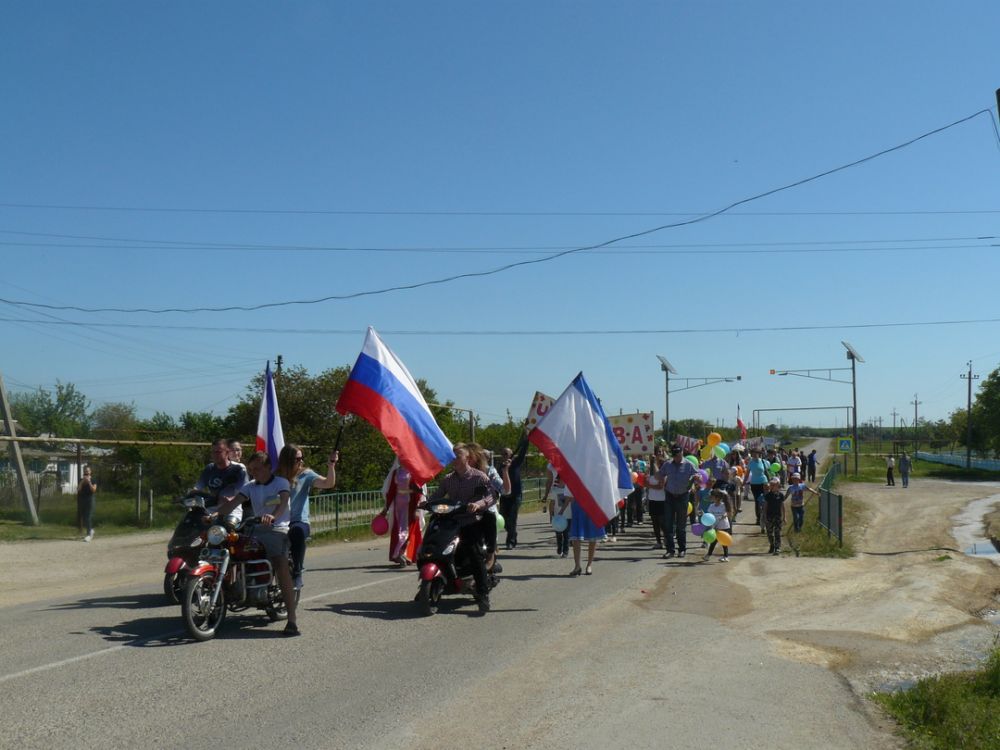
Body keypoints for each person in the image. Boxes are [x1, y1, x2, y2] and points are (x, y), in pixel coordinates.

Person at [213, 450, 299, 635]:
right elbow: (233, 502)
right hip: (255, 528)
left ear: (269, 467)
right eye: (251, 470)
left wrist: (273, 517)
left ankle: (291, 619)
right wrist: (213, 515)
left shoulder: (281, 483)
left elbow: (282, 502)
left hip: (277, 529)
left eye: (258, 469)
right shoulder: (251, 486)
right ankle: (230, 593)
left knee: (279, 563)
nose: (254, 473)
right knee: (230, 549)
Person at [427, 443, 495, 613]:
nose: (454, 459)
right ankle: (432, 584)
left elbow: (491, 496)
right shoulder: (448, 479)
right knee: (432, 546)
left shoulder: (479, 477)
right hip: (450, 522)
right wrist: (426, 503)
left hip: (470, 522)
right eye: (452, 457)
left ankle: (482, 593)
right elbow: (438, 495)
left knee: (474, 553)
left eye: (458, 456)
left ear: (468, 459)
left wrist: (478, 504)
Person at [277, 444, 338, 589]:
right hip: (278, 520)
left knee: (296, 532)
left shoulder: (306, 474)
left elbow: (328, 483)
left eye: (301, 458)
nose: (301, 461)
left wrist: (331, 466)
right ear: (287, 460)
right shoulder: (276, 476)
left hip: (299, 521)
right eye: (297, 458)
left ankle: (297, 571)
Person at [377, 457, 426, 567]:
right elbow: (391, 492)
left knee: (409, 530)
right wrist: (385, 509)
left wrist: (418, 508)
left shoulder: (414, 472)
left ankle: (404, 553)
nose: (400, 459)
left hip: (411, 505)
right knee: (399, 530)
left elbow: (418, 492)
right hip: (399, 506)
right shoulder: (396, 472)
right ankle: (399, 554)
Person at [194, 438, 248, 526]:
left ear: (227, 452)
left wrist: (230, 498)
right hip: (209, 510)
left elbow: (244, 492)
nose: (215, 455)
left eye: (218, 452)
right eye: (213, 452)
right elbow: (197, 487)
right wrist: (191, 493)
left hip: (231, 510)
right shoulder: (209, 468)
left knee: (227, 530)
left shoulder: (238, 469)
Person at [657, 445, 698, 559]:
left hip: (683, 496)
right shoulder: (668, 464)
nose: (676, 458)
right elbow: (660, 474)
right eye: (674, 456)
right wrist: (660, 479)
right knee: (668, 524)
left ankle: (682, 549)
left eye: (678, 455)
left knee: (681, 525)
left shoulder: (689, 465)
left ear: (682, 454)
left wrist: (696, 478)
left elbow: (697, 474)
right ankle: (670, 550)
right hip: (669, 496)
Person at [498, 435, 529, 549]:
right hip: (504, 496)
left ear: (511, 454)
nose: (505, 456)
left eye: (507, 453)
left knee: (512, 518)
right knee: (503, 519)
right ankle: (513, 533)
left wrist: (526, 440)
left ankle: (510, 541)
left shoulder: (516, 463)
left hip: (515, 495)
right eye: (503, 454)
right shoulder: (500, 467)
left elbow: (523, 452)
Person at [568, 493, 607, 576]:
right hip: (578, 502)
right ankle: (577, 566)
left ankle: (589, 565)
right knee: (576, 537)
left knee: (593, 536)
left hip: (593, 502)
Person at [543, 462, 571, 558]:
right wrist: (551, 515)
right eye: (560, 479)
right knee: (558, 533)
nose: (562, 480)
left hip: (568, 515)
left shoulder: (568, 490)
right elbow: (552, 503)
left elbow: (568, 501)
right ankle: (559, 547)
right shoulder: (555, 490)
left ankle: (566, 551)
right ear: (558, 479)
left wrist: (562, 511)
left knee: (566, 534)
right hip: (557, 516)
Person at [703, 488, 732, 562]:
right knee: (713, 541)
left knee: (723, 542)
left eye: (712, 497)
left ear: (717, 497)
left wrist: (724, 515)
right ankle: (708, 555)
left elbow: (727, 513)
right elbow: (709, 515)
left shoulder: (723, 505)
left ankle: (726, 556)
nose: (711, 498)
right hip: (715, 526)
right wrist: (703, 514)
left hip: (724, 526)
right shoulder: (711, 506)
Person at [645, 450, 666, 549]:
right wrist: (647, 471)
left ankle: (666, 538)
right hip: (652, 500)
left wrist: (650, 486)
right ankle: (658, 542)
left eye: (657, 463)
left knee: (662, 522)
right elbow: (645, 483)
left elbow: (660, 486)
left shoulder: (663, 475)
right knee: (655, 522)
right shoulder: (651, 473)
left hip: (662, 500)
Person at [762, 477, 786, 555]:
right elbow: (765, 507)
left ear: (777, 485)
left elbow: (782, 506)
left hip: (778, 516)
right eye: (771, 484)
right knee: (770, 533)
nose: (772, 486)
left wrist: (784, 517)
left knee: (777, 532)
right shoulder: (768, 495)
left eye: (774, 484)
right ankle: (772, 545)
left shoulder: (781, 495)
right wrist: (765, 517)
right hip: (769, 516)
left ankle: (777, 547)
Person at [747, 448, 770, 528]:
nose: (754, 454)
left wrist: (769, 482)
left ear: (758, 453)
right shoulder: (750, 462)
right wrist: (743, 483)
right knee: (757, 501)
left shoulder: (763, 462)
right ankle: (758, 518)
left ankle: (766, 516)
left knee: (765, 500)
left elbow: (766, 472)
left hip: (764, 482)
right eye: (753, 453)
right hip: (754, 484)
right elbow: (747, 474)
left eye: (756, 453)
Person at [77, 466, 98, 542]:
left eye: (88, 471)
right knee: (84, 517)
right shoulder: (81, 480)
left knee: (88, 517)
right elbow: (78, 490)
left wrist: (89, 482)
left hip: (90, 499)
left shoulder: (93, 480)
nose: (86, 472)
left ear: (90, 472)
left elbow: (93, 490)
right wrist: (82, 482)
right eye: (85, 471)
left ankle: (89, 535)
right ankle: (91, 530)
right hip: (82, 499)